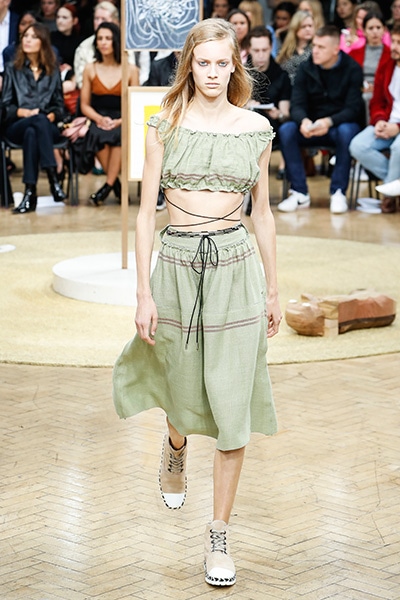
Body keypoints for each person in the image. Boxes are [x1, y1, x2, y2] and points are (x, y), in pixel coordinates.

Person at [113, 18, 280, 588]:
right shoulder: (164, 124)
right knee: (181, 386)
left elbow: (263, 214)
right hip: (178, 266)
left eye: (221, 63)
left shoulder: (256, 129)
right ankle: (176, 442)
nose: (212, 73)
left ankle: (219, 534)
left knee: (233, 402)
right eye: (203, 63)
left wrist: (274, 289)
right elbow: (145, 214)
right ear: (190, 64)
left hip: (237, 269)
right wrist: (143, 292)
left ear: (235, 66)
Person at [277, 24, 363, 213]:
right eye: (314, 45)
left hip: (337, 126)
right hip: (311, 126)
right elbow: (297, 104)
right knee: (286, 130)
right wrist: (304, 121)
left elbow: (353, 109)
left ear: (335, 49)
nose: (314, 51)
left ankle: (338, 192)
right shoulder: (306, 68)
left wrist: (329, 122)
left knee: (347, 131)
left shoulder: (352, 69)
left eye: (321, 47)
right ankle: (299, 192)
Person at [1, 22, 67, 214]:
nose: (27, 40)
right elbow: (5, 107)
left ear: (43, 42)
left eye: (33, 37)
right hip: (17, 125)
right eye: (25, 36)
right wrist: (24, 113)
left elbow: (59, 106)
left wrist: (51, 115)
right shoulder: (12, 69)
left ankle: (29, 193)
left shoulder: (53, 70)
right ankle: (52, 177)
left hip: (46, 126)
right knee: (36, 121)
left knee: (34, 130)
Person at [79, 22, 139, 205]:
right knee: (96, 134)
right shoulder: (90, 68)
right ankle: (115, 185)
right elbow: (84, 105)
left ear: (116, 41)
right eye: (100, 39)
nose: (103, 42)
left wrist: (120, 121)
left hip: (123, 118)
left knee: (120, 135)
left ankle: (107, 187)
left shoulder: (131, 69)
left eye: (108, 38)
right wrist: (99, 119)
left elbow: (135, 103)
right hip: (99, 117)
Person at [349, 25, 400, 214]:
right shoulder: (387, 66)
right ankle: (393, 186)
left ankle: (388, 198)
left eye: (399, 43)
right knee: (357, 146)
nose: (394, 47)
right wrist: (379, 120)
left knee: (398, 148)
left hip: (398, 127)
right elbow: (376, 101)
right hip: (386, 122)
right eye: (393, 41)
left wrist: (398, 127)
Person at [349, 12, 389, 121]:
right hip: (358, 91)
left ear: (384, 30)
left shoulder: (391, 54)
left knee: (369, 97)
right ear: (364, 31)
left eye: (378, 27)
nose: (375, 31)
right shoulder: (353, 53)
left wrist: (376, 88)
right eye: (370, 28)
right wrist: (361, 87)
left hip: (383, 93)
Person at [73, 1, 119, 89]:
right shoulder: (83, 47)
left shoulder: (125, 45)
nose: (99, 23)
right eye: (96, 19)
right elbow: (81, 81)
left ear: (115, 21)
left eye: (103, 19)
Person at [277, 10, 315, 85]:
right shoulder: (285, 51)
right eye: (303, 26)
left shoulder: (317, 49)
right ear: (295, 28)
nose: (308, 29)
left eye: (310, 26)